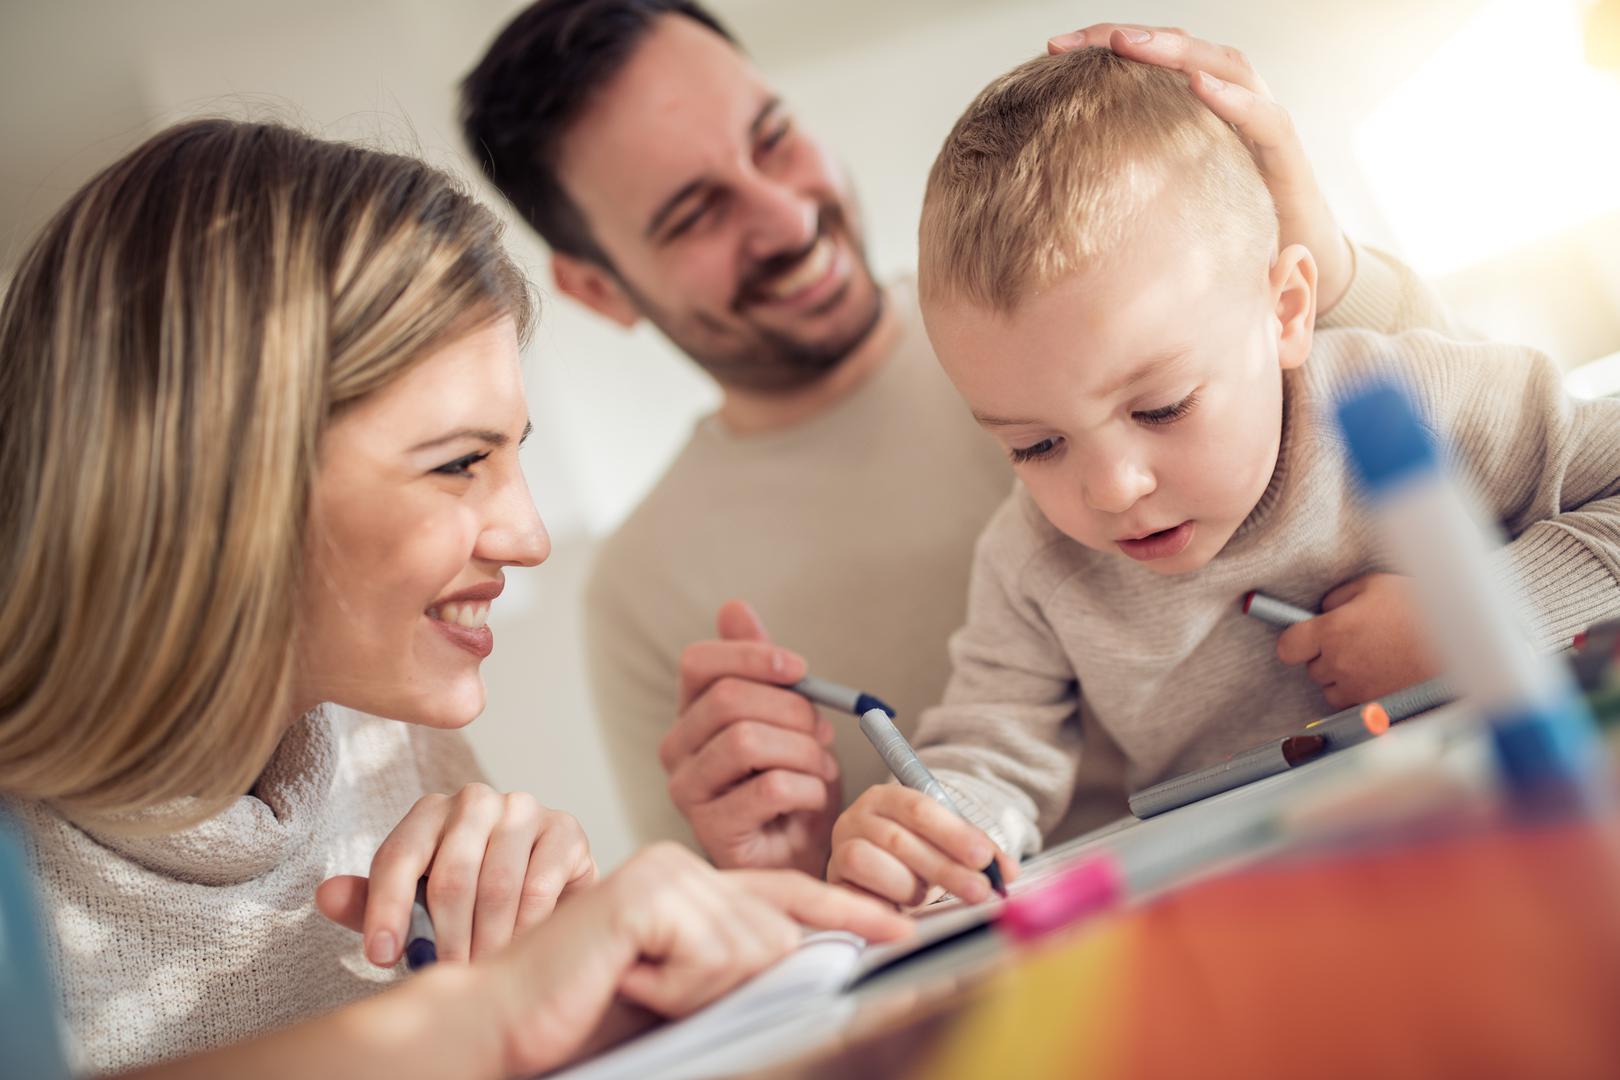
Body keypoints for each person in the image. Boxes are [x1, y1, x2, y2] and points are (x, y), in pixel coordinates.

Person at [460, 4, 1461, 876]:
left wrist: (1324, 266)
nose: (785, 214)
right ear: (596, 289)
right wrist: (771, 862)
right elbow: (731, 934)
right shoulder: (643, 594)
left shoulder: (1096, 324)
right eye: (694, 214)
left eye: (772, 139)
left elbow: (1505, 474)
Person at [0, 118, 908, 1078]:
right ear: (218, 481)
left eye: (511, 454)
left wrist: (537, 965)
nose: (529, 537)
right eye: (460, 463)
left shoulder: (377, 731)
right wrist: (486, 1015)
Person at [824, 47, 1620, 906]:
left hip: (1543, 840)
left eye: (1161, 407)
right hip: (1283, 912)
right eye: (1035, 446)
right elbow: (992, 753)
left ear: (1286, 312)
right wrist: (933, 832)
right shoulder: (1032, 562)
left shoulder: (1408, 398)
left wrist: (1479, 618)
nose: (1112, 489)